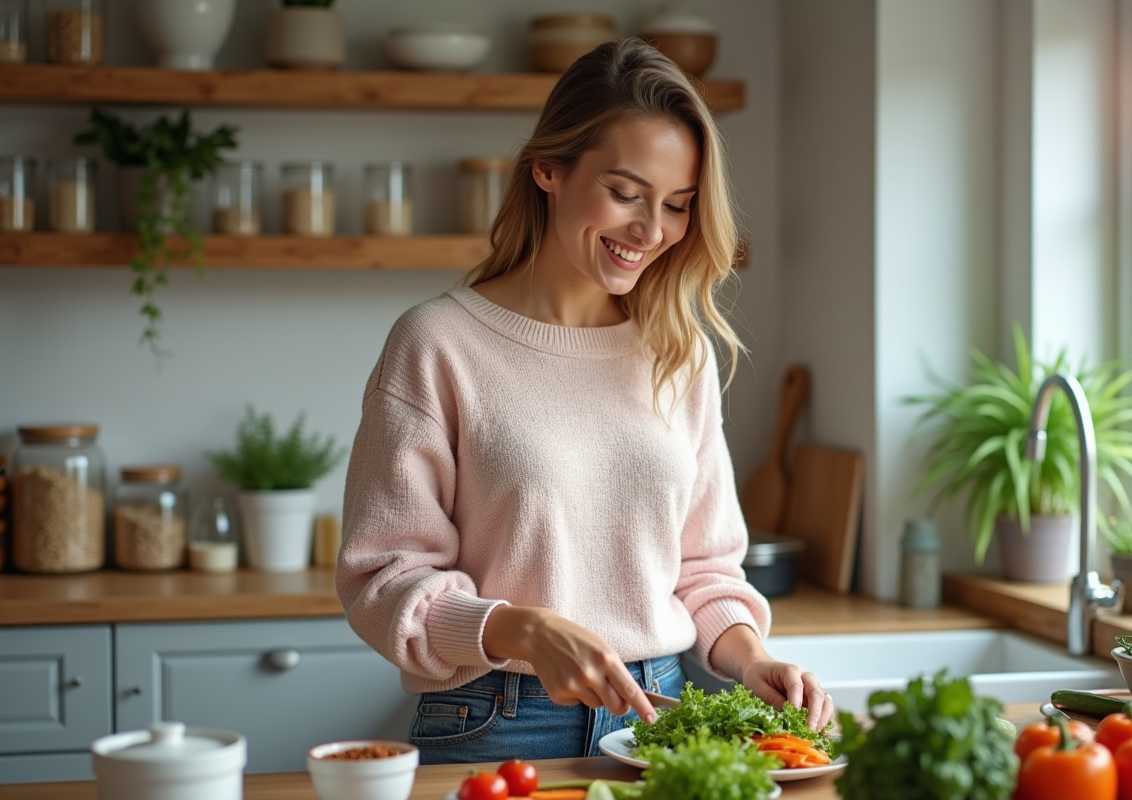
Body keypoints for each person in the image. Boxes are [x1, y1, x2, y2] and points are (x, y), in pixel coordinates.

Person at [337, 37, 832, 765]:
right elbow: (383, 578)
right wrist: (525, 629)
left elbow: (704, 569)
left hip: (663, 716)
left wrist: (749, 656)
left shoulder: (678, 351)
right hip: (497, 718)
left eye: (677, 206)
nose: (650, 230)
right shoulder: (437, 344)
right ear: (548, 168)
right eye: (626, 193)